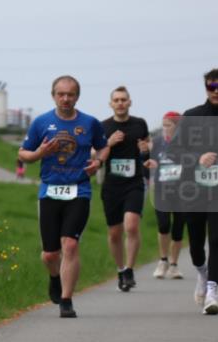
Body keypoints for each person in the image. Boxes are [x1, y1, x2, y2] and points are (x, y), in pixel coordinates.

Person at [18, 75, 106, 318]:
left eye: (70, 94)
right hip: (50, 190)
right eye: (61, 94)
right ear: (53, 95)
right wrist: (40, 152)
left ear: (77, 96)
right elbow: (23, 154)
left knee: (70, 244)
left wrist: (99, 162)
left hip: (79, 190)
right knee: (50, 255)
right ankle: (54, 277)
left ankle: (66, 300)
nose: (65, 98)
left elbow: (103, 145)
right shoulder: (41, 122)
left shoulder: (90, 123)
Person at [99, 86, 150, 292]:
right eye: (116, 100)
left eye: (123, 99)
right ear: (111, 104)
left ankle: (129, 269)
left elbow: (146, 150)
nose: (120, 103)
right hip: (112, 185)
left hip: (134, 183)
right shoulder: (103, 126)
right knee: (114, 233)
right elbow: (94, 154)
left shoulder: (140, 124)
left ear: (129, 102)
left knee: (131, 226)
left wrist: (145, 151)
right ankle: (120, 269)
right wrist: (109, 143)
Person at [179, 68, 218, 314]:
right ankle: (202, 273)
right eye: (212, 87)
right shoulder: (192, 116)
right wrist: (198, 157)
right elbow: (175, 152)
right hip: (193, 189)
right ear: (206, 88)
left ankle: (213, 291)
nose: (216, 91)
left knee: (216, 239)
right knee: (195, 243)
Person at [144, 111, 185, 280]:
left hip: (182, 191)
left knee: (178, 228)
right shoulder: (156, 143)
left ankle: (174, 265)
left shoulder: (186, 143)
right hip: (161, 190)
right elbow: (146, 161)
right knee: (163, 224)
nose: (165, 128)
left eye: (169, 125)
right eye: (164, 125)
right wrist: (150, 166)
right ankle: (163, 260)